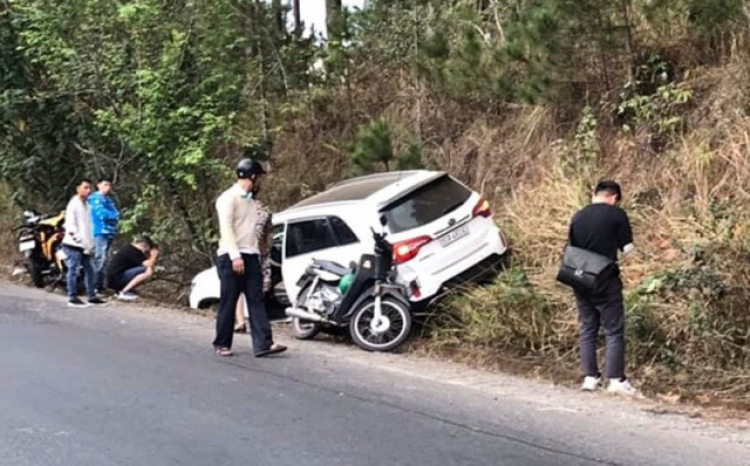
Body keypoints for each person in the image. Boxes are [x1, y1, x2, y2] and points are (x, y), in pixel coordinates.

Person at [567, 180, 635, 395]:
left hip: (579, 276)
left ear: (594, 194)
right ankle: (615, 379)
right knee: (613, 329)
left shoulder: (577, 216)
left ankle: (590, 377)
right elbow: (627, 249)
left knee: (587, 326)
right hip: (605, 277)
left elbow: (572, 247)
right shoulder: (616, 214)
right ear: (614, 197)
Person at [213, 158, 286, 357]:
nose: (260, 183)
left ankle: (264, 343)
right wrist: (235, 256)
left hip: (251, 254)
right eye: (258, 178)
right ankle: (222, 343)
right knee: (229, 299)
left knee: (256, 298)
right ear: (252, 177)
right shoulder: (228, 198)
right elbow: (226, 229)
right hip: (231, 255)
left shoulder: (253, 202)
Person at [63, 178, 106, 308]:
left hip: (85, 245)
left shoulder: (88, 205)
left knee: (90, 270)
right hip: (73, 244)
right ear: (78, 188)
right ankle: (72, 296)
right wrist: (78, 240)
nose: (87, 191)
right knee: (73, 269)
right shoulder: (73, 204)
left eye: (89, 188)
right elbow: (70, 225)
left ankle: (91, 296)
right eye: (85, 187)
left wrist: (90, 243)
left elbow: (88, 226)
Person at [234, 200, 274, 333]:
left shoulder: (243, 210)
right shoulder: (264, 211)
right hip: (256, 254)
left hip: (246, 252)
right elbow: (267, 235)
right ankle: (248, 322)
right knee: (255, 291)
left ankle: (242, 321)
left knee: (240, 289)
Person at [88, 177, 120, 292]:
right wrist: (111, 216)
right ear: (99, 185)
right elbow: (101, 214)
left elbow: (116, 214)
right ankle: (94, 285)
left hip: (110, 232)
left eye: (109, 185)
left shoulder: (108, 200)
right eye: (105, 184)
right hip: (100, 231)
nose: (108, 188)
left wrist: (112, 216)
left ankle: (101, 285)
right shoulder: (95, 199)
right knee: (99, 258)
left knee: (106, 259)